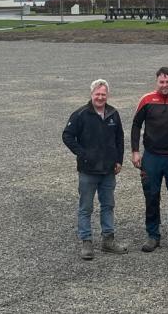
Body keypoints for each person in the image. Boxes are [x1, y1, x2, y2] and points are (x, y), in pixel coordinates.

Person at [62, 78, 128, 260]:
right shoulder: (80, 114)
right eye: (97, 94)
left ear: (108, 95)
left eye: (103, 94)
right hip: (88, 171)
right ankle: (87, 242)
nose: (100, 97)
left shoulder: (113, 113)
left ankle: (108, 239)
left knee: (108, 205)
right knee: (86, 207)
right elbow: (67, 136)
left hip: (108, 170)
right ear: (91, 94)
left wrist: (118, 160)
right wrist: (82, 154)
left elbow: (119, 139)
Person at [131, 67, 168, 253]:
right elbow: (135, 124)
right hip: (151, 157)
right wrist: (135, 151)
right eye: (162, 82)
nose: (165, 85)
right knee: (151, 196)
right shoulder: (146, 100)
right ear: (157, 81)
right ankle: (153, 235)